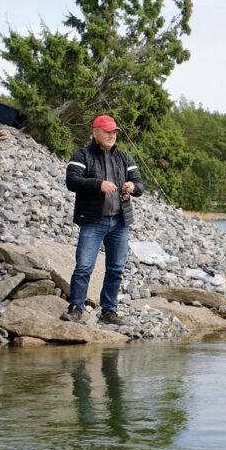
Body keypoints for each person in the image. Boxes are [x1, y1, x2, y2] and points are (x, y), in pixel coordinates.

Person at [61, 115, 144, 325]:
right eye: (107, 131)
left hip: (120, 222)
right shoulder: (82, 155)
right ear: (95, 132)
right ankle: (75, 308)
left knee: (116, 268)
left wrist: (132, 187)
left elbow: (140, 185)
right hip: (92, 221)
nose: (112, 135)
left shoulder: (125, 158)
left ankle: (109, 311)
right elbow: (72, 181)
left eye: (114, 132)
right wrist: (99, 184)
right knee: (84, 267)